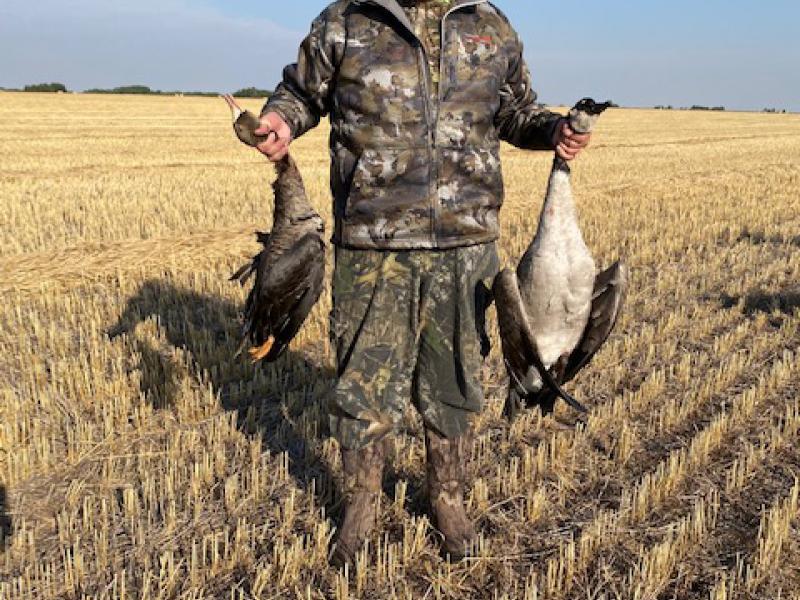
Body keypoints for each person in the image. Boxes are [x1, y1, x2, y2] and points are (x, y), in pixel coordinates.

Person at [254, 0, 591, 566]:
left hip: (466, 243)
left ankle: (448, 501)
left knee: (455, 382)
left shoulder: (490, 26)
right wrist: (279, 122)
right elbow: (301, 93)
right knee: (362, 385)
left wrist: (554, 130)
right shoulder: (346, 19)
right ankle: (361, 506)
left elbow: (514, 113)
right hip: (371, 242)